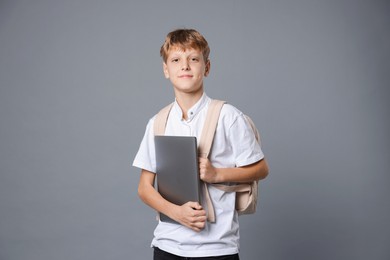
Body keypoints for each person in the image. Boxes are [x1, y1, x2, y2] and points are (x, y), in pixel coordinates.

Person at [133, 28, 269, 260]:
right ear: (166, 70)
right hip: (167, 246)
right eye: (176, 60)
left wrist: (217, 174)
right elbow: (144, 188)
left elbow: (261, 169)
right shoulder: (157, 122)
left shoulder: (228, 116)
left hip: (217, 248)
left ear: (206, 67)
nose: (185, 66)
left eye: (193, 59)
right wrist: (177, 213)